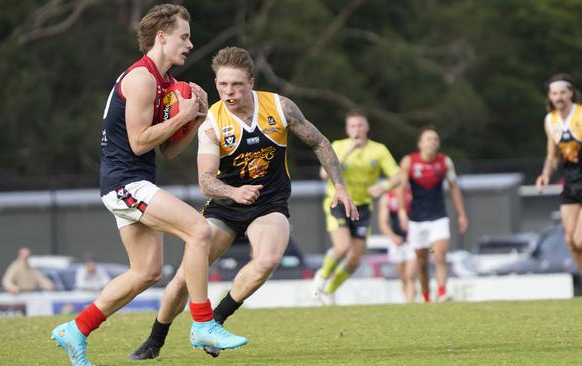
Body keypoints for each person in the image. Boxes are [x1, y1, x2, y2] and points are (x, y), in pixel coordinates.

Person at [127, 46, 358, 360]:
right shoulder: (211, 122)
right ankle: (154, 342)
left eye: (236, 84)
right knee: (184, 278)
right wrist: (234, 193)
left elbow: (318, 142)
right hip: (225, 206)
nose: (228, 91)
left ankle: (214, 322)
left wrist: (340, 186)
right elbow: (205, 179)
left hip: (269, 203)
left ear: (251, 81)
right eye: (222, 85)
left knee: (267, 261)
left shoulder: (279, 107)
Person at [50, 5, 247, 366]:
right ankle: (203, 322)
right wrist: (183, 116)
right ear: (162, 37)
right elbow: (140, 142)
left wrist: (196, 119)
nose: (190, 44)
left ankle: (76, 329)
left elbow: (169, 150)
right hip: (125, 182)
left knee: (146, 272)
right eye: (184, 36)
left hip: (134, 182)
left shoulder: (167, 84)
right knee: (199, 231)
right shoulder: (141, 78)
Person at [311, 110, 400, 305]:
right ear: (347, 129)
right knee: (342, 247)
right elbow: (323, 174)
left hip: (363, 207)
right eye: (353, 126)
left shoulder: (379, 150)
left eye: (360, 125)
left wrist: (383, 187)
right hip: (338, 203)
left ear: (367, 127)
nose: (357, 130)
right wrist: (348, 151)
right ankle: (323, 276)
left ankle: (330, 291)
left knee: (355, 259)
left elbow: (398, 175)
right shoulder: (338, 146)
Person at [397, 126, 468, 303]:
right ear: (420, 143)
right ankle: (427, 295)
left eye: (435, 139)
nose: (433, 142)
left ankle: (442, 293)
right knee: (421, 262)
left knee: (439, 255)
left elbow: (454, 188)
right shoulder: (409, 161)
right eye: (429, 139)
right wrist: (402, 212)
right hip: (417, 220)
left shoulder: (444, 162)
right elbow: (401, 188)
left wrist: (461, 214)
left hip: (438, 217)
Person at [536, 73, 582, 274]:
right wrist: (545, 174)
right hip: (571, 182)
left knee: (580, 239)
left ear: (571, 93)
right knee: (570, 241)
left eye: (563, 92)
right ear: (550, 96)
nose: (559, 97)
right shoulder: (550, 120)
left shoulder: (580, 115)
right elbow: (552, 155)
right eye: (555, 93)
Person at [378, 186, 417, 303]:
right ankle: (407, 300)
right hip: (397, 242)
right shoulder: (387, 197)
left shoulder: (412, 193)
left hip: (413, 240)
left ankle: (411, 302)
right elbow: (383, 222)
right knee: (403, 276)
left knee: (410, 275)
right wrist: (393, 237)